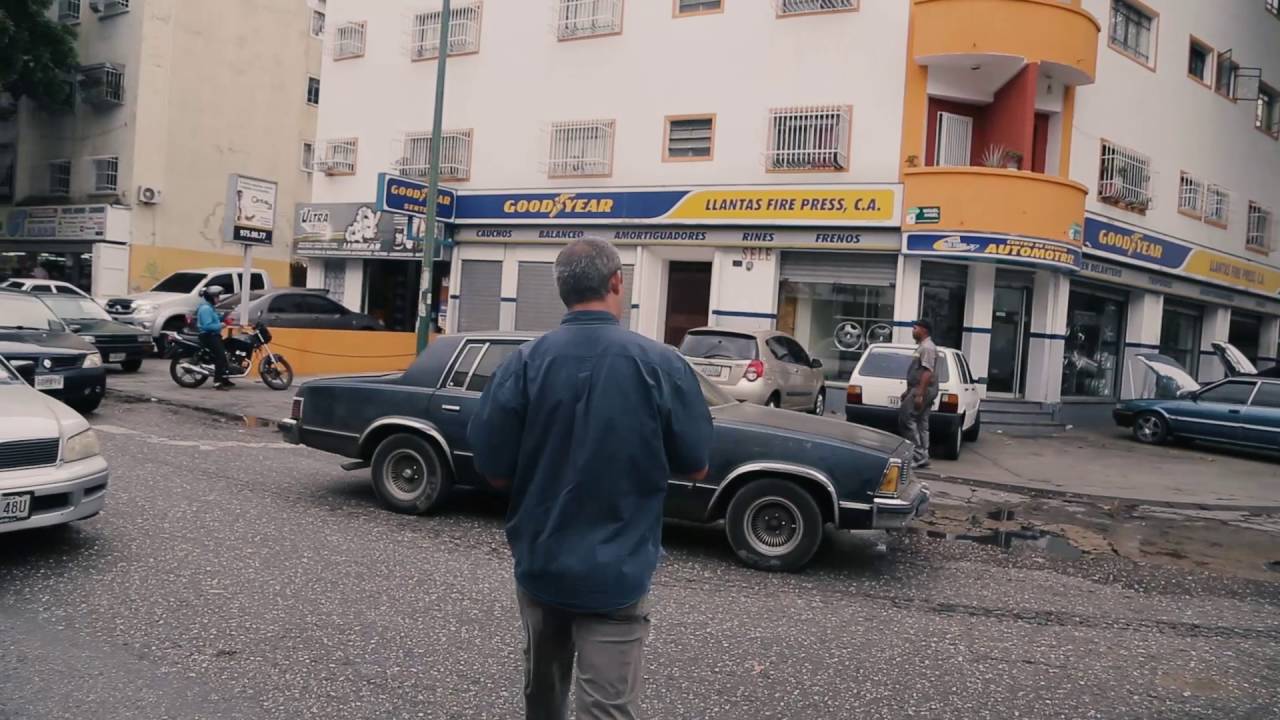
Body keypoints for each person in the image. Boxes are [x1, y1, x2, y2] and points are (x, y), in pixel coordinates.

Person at [468, 238, 714, 720]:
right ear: (616, 281)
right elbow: (697, 464)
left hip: (542, 562)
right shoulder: (661, 364)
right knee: (607, 708)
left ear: (561, 290)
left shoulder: (523, 363)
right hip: (617, 572)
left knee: (543, 695)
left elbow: (492, 469)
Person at [900, 318, 939, 468]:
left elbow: (927, 372)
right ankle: (923, 456)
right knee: (922, 422)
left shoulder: (927, 347)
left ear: (924, 330)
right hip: (918, 388)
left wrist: (919, 394)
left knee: (906, 418)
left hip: (923, 389)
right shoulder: (923, 346)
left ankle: (917, 456)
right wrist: (908, 390)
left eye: (915, 328)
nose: (913, 330)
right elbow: (918, 371)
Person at [195, 285, 233, 390]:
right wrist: (221, 325)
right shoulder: (205, 309)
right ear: (211, 297)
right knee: (220, 356)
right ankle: (217, 382)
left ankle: (224, 379)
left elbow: (215, 318)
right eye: (217, 297)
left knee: (226, 354)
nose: (218, 299)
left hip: (214, 335)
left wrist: (225, 318)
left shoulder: (210, 308)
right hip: (208, 336)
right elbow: (207, 326)